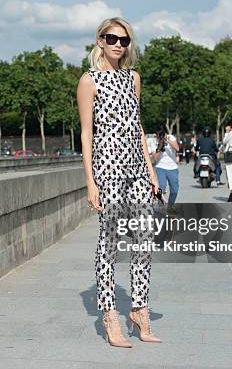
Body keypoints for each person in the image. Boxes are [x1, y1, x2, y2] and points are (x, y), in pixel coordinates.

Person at [76, 17, 162, 348]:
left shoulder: (133, 78)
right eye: (112, 38)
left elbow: (138, 126)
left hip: (138, 170)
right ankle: (110, 315)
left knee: (143, 239)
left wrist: (152, 172)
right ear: (99, 40)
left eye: (124, 41)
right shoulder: (89, 81)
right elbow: (86, 134)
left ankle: (139, 309)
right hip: (107, 169)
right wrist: (90, 182)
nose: (117, 45)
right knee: (109, 241)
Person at [153, 126, 180, 205]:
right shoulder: (156, 142)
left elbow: (177, 148)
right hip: (160, 167)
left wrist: (167, 140)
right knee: (162, 186)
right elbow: (155, 158)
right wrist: (159, 147)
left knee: (175, 190)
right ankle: (160, 204)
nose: (160, 136)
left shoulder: (170, 137)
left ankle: (170, 206)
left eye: (161, 134)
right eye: (158, 135)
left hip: (173, 167)